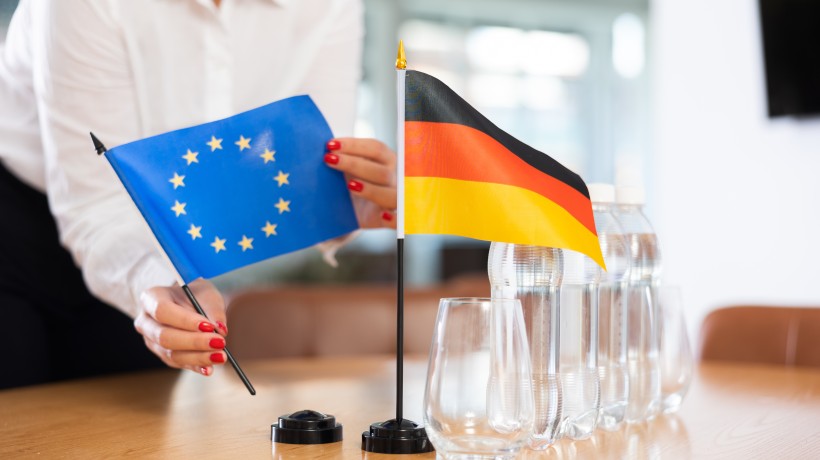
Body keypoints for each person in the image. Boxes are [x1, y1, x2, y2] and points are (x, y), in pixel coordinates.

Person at [0, 0, 396, 389]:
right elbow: (97, 202)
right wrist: (155, 281)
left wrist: (336, 199)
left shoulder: (332, 7)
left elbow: (307, 160)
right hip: (17, 229)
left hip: (159, 244)